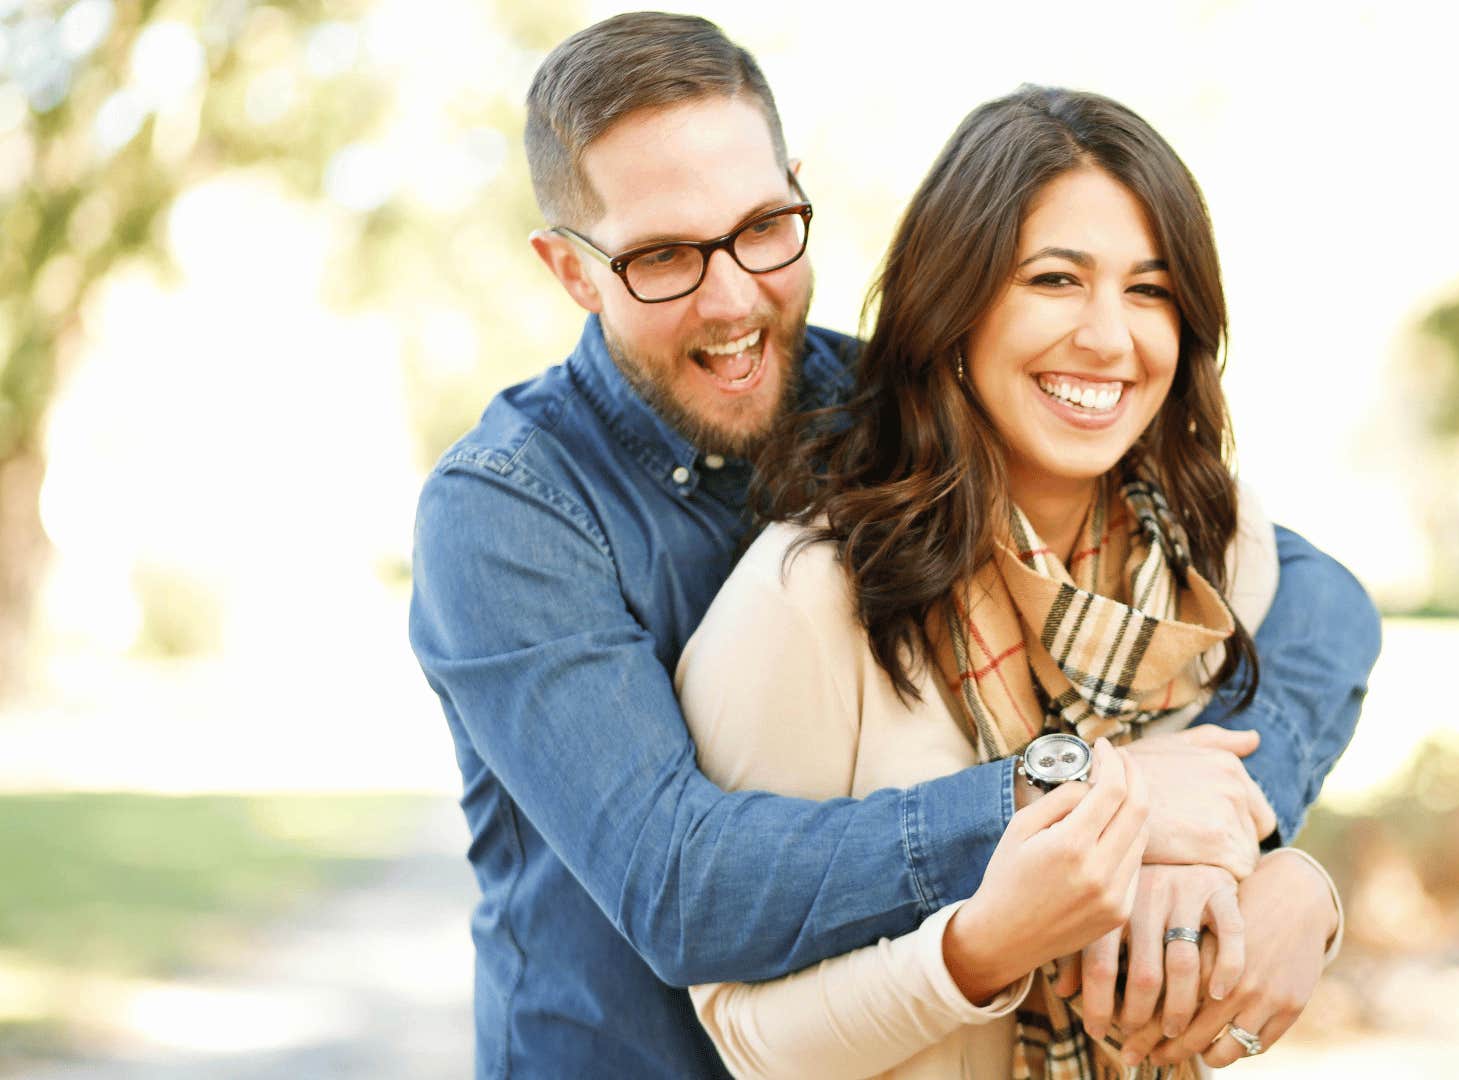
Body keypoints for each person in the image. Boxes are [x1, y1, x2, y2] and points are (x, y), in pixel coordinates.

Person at [407, 13, 1382, 1078]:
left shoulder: (888, 407)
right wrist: (1082, 796)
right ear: (572, 270)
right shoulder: (508, 510)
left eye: (765, 228)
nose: (735, 298)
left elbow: (1320, 601)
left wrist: (1246, 837)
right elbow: (683, 886)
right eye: (663, 257)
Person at [673, 84, 1346, 1079]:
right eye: (1055, 280)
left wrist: (1298, 888)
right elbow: (747, 1033)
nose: (1110, 338)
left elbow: (1226, 811)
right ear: (956, 306)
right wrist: (986, 944)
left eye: (1151, 291)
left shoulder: (1213, 553)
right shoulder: (809, 599)